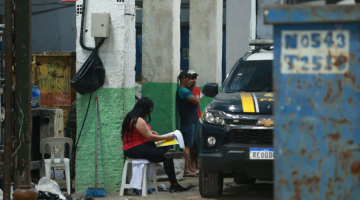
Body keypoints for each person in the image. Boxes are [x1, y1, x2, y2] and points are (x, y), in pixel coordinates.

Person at [121, 97, 188, 193]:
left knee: (167, 148)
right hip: (135, 148)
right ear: (144, 108)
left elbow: (140, 133)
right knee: (167, 155)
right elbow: (149, 138)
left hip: (136, 146)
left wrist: (151, 132)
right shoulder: (138, 119)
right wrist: (166, 137)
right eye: (150, 109)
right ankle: (174, 184)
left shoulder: (131, 116)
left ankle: (170, 151)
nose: (150, 112)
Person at [176, 71, 200, 176]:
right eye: (189, 78)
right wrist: (197, 101)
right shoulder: (183, 91)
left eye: (192, 79)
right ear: (182, 79)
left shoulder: (187, 91)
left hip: (192, 121)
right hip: (188, 122)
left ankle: (190, 168)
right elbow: (196, 102)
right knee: (186, 146)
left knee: (190, 146)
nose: (191, 81)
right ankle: (186, 169)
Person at [187, 70, 202, 172]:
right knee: (191, 146)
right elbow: (196, 103)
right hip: (191, 120)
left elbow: (198, 103)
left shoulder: (197, 90)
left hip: (199, 119)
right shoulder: (186, 91)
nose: (194, 80)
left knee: (197, 144)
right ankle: (192, 166)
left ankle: (196, 164)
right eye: (192, 78)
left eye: (195, 78)